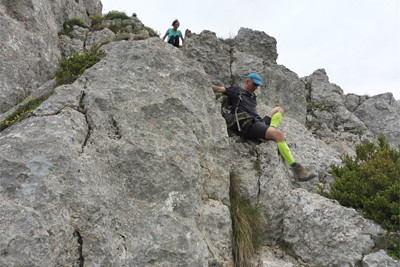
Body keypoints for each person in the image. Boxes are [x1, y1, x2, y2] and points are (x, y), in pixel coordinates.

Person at [211, 73, 317, 182]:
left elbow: (255, 111)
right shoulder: (236, 90)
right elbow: (219, 89)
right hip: (247, 124)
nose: (256, 87)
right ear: (247, 81)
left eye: (258, 85)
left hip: (257, 122)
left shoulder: (253, 97)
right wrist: (205, 80)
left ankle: (271, 130)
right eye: (254, 84)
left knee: (279, 109)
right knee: (279, 134)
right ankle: (297, 169)